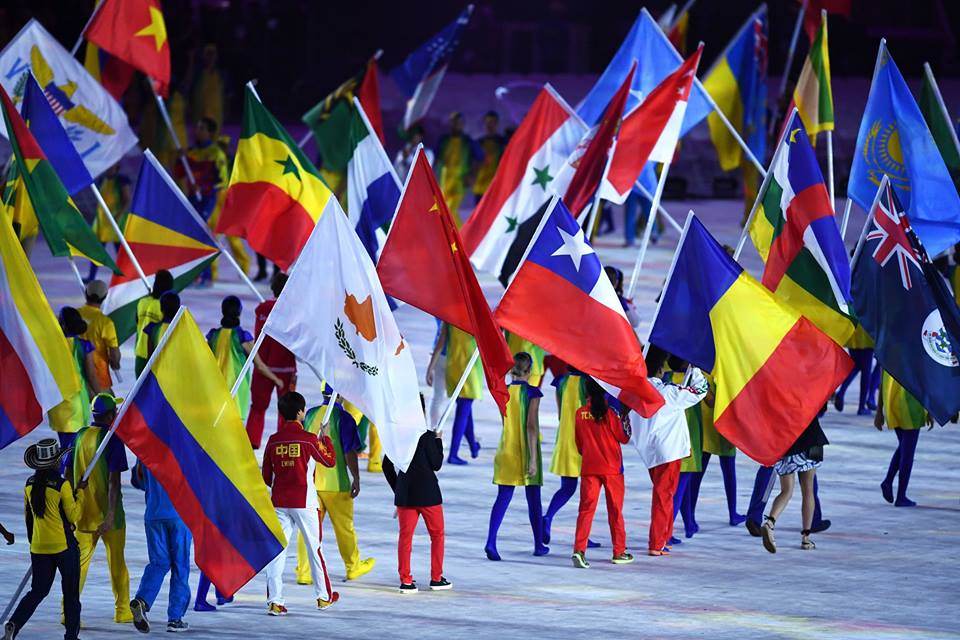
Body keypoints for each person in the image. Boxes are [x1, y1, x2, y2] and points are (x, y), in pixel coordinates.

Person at [261, 392, 339, 614]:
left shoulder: (273, 440)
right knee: (314, 549)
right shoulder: (308, 439)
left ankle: (275, 601)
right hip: (305, 503)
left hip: (279, 502)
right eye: (304, 410)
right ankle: (323, 597)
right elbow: (330, 461)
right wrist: (326, 439)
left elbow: (267, 476)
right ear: (299, 413)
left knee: (277, 551)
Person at [3, 439, 82, 640]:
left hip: (38, 547)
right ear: (56, 462)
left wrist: (34, 544)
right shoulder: (62, 484)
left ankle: (14, 623)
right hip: (63, 546)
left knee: (37, 591)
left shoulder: (29, 485)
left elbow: (28, 517)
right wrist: (79, 494)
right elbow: (73, 516)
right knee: (71, 593)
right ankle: (71, 636)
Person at [632, 348, 708, 557]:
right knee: (664, 496)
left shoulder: (636, 392)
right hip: (668, 451)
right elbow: (700, 390)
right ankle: (657, 543)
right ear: (659, 370)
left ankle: (663, 538)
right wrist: (696, 367)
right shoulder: (667, 392)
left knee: (663, 494)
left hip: (650, 451)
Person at [294, 392, 376, 583]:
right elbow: (349, 452)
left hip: (311, 484)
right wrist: (356, 477)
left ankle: (304, 572)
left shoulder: (311, 414)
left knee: (307, 529)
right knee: (344, 528)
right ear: (342, 395)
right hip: (337, 484)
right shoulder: (345, 418)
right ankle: (353, 567)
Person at [66, 393, 133, 624]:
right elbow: (114, 482)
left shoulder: (80, 436)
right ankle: (122, 611)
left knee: (78, 568)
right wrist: (111, 515)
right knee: (117, 564)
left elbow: (66, 473)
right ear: (110, 415)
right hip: (109, 517)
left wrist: (69, 506)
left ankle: (68, 613)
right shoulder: (112, 439)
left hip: (82, 514)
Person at [484, 353, 548, 561]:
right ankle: (538, 544)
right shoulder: (532, 393)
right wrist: (531, 460)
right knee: (533, 500)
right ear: (529, 372)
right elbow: (530, 427)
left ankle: (491, 541)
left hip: (506, 449)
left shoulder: (503, 392)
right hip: (526, 450)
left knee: (502, 498)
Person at [382, 413, 451, 593]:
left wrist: (398, 489)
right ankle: (436, 578)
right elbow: (436, 464)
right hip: (429, 495)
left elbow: (386, 466)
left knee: (405, 537)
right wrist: (438, 442)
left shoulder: (396, 438)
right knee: (437, 535)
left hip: (406, 495)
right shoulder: (427, 436)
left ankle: (406, 580)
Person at [571, 377, 634, 568]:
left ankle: (579, 551)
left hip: (590, 467)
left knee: (585, 510)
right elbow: (624, 438)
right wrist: (625, 417)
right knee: (615, 511)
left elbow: (579, 444)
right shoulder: (611, 413)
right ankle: (619, 551)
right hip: (612, 469)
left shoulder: (580, 413)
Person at [129, 461, 191, 633]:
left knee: (159, 563)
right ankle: (175, 618)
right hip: (180, 515)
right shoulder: (187, 446)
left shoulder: (147, 444)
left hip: (153, 514)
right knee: (180, 566)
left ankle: (142, 600)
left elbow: (137, 480)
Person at [542, 366, 599, 549]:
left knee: (567, 487)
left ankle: (548, 516)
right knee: (587, 493)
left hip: (565, 439)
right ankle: (582, 536)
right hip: (583, 441)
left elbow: (560, 415)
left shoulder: (562, 381)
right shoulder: (587, 382)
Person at [206, 295, 283, 423]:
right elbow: (260, 366)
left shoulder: (213, 335)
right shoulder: (242, 337)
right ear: (239, 313)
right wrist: (276, 379)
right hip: (236, 393)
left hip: (215, 392)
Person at [685, 373, 745, 528]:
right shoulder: (722, 366)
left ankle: (690, 516)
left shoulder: (701, 366)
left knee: (698, 473)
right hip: (724, 423)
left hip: (705, 423)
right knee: (729, 472)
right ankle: (733, 514)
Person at [761, 418, 829, 553]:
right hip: (809, 439)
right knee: (808, 491)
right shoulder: (808, 395)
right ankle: (806, 538)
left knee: (786, 491)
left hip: (785, 441)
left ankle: (770, 522)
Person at [247, 273, 298, 449]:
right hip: (285, 367)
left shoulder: (261, 309)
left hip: (263, 365)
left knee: (258, 406)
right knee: (287, 411)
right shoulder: (292, 310)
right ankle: (283, 442)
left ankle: (252, 441)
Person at [427, 323, 482, 465]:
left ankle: (473, 445)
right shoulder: (476, 318)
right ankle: (453, 454)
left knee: (465, 410)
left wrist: (430, 368)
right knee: (463, 413)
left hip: (453, 369)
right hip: (470, 370)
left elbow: (440, 343)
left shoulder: (449, 319)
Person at [48, 307, 100, 449]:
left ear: (62, 324)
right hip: (77, 400)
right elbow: (91, 374)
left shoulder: (51, 345)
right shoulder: (84, 345)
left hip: (57, 401)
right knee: (74, 447)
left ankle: (65, 469)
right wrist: (100, 394)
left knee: (65, 444)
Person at [876, 371, 928, 507]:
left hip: (891, 402)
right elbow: (923, 379)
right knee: (908, 454)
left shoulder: (887, 349)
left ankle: (888, 481)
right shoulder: (916, 351)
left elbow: (882, 380)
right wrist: (930, 408)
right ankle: (901, 496)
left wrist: (879, 411)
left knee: (904, 447)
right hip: (911, 403)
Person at [87, 163, 131, 281]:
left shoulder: (122, 180)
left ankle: (124, 277)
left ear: (116, 167)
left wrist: (119, 215)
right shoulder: (102, 180)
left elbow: (126, 200)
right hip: (102, 221)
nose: (108, 169)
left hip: (116, 220)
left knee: (120, 252)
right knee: (97, 251)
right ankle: (91, 276)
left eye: (111, 167)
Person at [435, 112, 480, 225]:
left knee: (450, 209)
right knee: (443, 210)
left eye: (459, 122)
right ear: (450, 124)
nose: (456, 125)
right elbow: (434, 158)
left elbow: (480, 157)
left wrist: (472, 175)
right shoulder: (444, 140)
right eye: (454, 122)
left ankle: (460, 237)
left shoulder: (468, 141)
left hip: (459, 181)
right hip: (444, 180)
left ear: (463, 124)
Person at [79, 280, 121, 394]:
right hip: (98, 379)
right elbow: (115, 354)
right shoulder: (105, 323)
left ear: (86, 293)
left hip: (76, 377)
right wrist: (115, 364)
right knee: (109, 409)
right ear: (104, 297)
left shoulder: (73, 315)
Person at [834, 322, 880, 415]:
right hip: (866, 333)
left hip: (853, 330)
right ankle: (861, 407)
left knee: (856, 365)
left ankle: (841, 392)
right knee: (865, 371)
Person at [135, 270, 174, 377]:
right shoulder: (164, 306)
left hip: (140, 353)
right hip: (156, 356)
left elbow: (137, 323)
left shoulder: (142, 302)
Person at [472, 110, 506, 204]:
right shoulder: (479, 142)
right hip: (480, 187)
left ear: (497, 123)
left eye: (493, 122)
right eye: (488, 122)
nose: (490, 125)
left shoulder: (503, 142)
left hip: (497, 187)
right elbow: (474, 164)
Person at [144, 293, 181, 359]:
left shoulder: (153, 329)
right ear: (178, 308)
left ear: (161, 308)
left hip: (159, 369)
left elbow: (150, 357)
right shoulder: (184, 328)